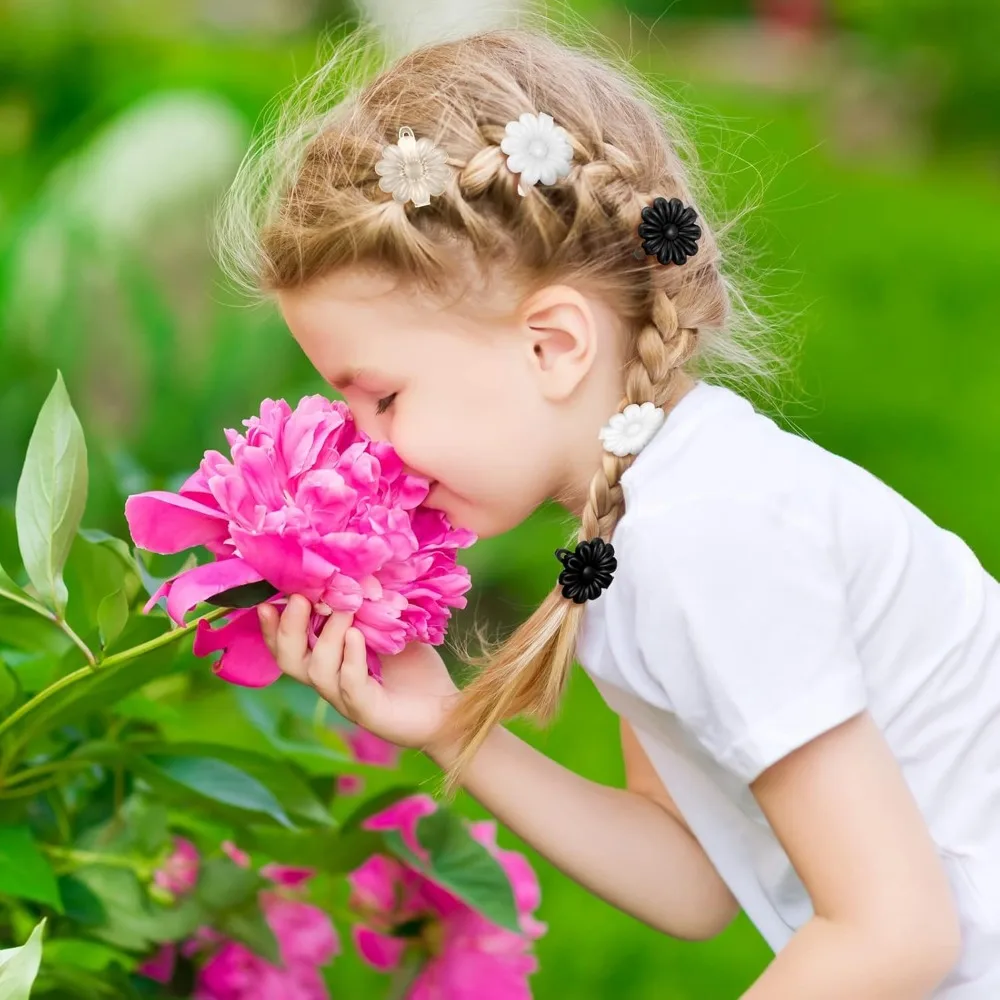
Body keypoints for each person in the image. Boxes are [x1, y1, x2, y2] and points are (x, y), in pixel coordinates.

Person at [216, 21, 1000, 998]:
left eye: (381, 396)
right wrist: (449, 724)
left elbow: (894, 931)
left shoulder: (704, 537)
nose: (364, 444)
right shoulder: (644, 518)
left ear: (551, 345)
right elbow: (695, 877)